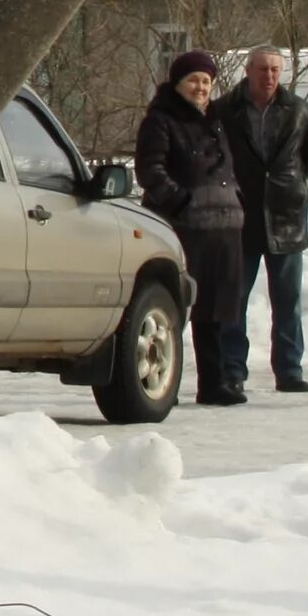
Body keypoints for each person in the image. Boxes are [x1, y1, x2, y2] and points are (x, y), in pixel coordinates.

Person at [135, 48, 249, 405]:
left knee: (216, 307)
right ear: (178, 83)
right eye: (193, 80)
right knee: (181, 307)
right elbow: (150, 170)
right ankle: (164, 382)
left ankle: (214, 383)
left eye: (206, 81)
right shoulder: (161, 120)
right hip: (184, 227)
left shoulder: (217, 119)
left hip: (224, 227)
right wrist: (180, 201)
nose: (201, 87)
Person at [217, 46, 308, 395]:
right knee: (235, 298)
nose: (270, 76)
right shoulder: (225, 111)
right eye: (263, 69)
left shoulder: (299, 111)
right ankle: (232, 369)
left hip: (285, 216)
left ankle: (289, 370)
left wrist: (291, 189)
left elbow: (307, 159)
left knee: (287, 299)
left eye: (276, 69)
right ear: (248, 71)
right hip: (240, 215)